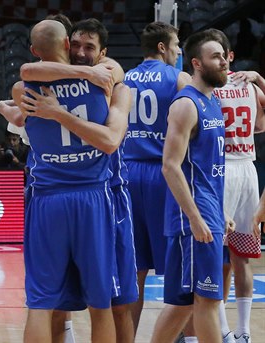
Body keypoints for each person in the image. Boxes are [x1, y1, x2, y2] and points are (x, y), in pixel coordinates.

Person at [0, 17, 133, 342]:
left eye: (90, 48)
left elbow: (25, 82)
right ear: (66, 45)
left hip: (50, 199)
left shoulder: (24, 90)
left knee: (41, 304)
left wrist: (13, 112)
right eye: (77, 45)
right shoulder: (103, 85)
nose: (83, 52)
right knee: (100, 305)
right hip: (92, 198)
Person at [150, 30, 229, 343]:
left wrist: (221, 212)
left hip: (209, 211)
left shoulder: (213, 101)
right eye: (216, 57)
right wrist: (195, 217)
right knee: (207, 301)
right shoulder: (186, 105)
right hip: (193, 218)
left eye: (224, 55)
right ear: (197, 63)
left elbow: (208, 169)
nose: (223, 61)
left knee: (183, 305)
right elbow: (170, 165)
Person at [120, 21, 192, 335]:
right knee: (179, 271)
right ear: (162, 47)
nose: (179, 52)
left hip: (127, 173)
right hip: (164, 173)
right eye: (176, 46)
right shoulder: (179, 78)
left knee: (133, 272)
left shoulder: (122, 78)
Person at [208, 28, 265, 343]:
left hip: (221, 170)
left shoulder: (208, 86)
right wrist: (257, 78)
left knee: (214, 255)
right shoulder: (250, 86)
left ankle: (223, 332)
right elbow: (260, 126)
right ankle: (244, 333)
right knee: (242, 258)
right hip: (248, 170)